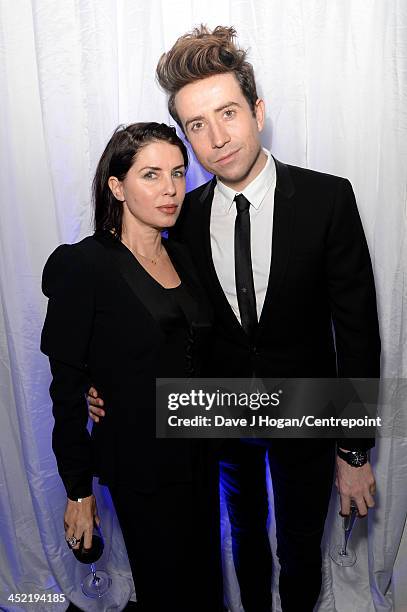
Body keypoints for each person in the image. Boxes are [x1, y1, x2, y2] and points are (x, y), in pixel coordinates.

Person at [88, 26, 381, 612]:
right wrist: (104, 384)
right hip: (219, 415)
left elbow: (356, 333)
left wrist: (354, 452)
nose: (216, 138)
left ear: (258, 110)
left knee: (299, 545)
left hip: (306, 407)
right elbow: (154, 313)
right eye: (196, 124)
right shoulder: (182, 216)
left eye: (228, 113)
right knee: (243, 538)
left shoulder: (329, 199)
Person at [41, 122, 223, 612]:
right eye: (151, 174)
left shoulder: (184, 255)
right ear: (117, 187)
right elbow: (64, 391)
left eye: (179, 173)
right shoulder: (86, 265)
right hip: (140, 461)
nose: (170, 188)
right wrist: (78, 491)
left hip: (200, 454)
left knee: (206, 586)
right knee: (166, 587)